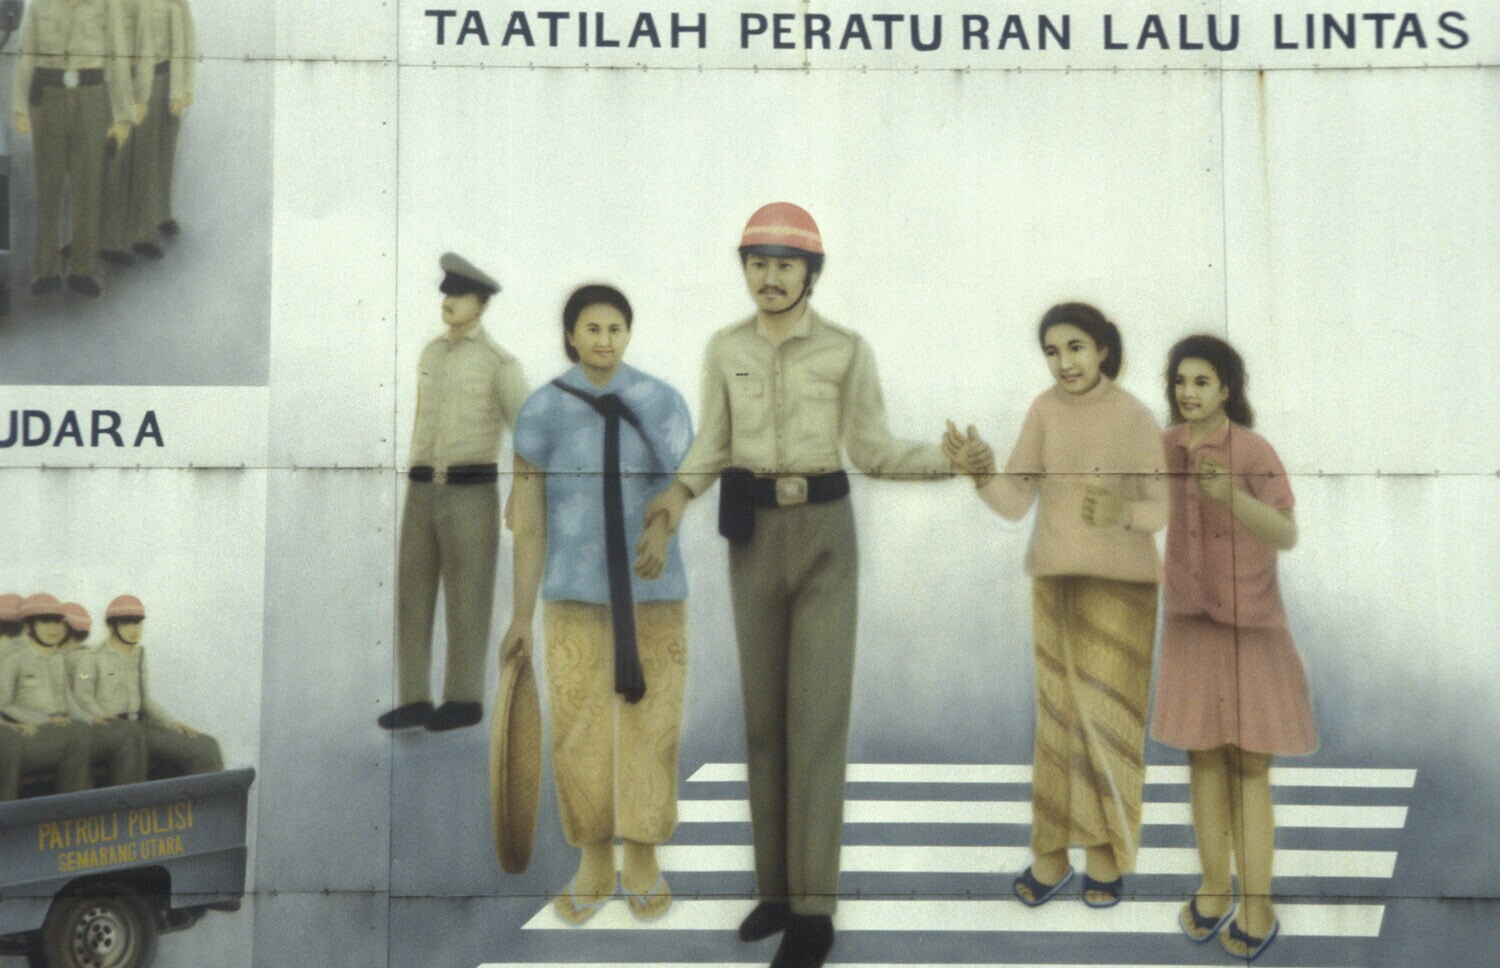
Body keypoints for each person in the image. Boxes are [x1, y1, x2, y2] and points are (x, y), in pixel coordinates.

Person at [644, 203, 960, 968]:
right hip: (752, 535)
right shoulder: (725, 349)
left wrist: (949, 461)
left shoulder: (846, 351)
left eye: (786, 264)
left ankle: (814, 913)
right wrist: (671, 504)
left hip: (824, 537)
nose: (770, 277)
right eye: (758, 263)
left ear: (811, 274)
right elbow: (712, 444)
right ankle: (777, 893)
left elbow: (874, 449)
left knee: (814, 724)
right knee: (764, 724)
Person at [948, 302, 1167, 909]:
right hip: (1054, 582)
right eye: (1052, 351)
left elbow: (1161, 508)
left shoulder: (1134, 415)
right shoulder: (1043, 410)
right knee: (1057, 722)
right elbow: (1015, 500)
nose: (1064, 362)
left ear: (1103, 349)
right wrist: (978, 474)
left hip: (1123, 589)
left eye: (1075, 347)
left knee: (1108, 721)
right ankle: (1050, 855)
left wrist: (1122, 514)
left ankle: (1104, 856)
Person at [503, 283, 693, 925]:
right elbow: (529, 523)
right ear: (570, 335)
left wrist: (662, 527)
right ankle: (591, 860)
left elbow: (684, 486)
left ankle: (642, 856)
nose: (604, 340)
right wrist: (519, 617)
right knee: (577, 728)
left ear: (628, 333)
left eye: (615, 328)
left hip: (652, 593)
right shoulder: (541, 411)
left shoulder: (663, 403)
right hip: (573, 594)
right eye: (592, 328)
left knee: (652, 726)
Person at [1150, 335, 1315, 962]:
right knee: (1202, 759)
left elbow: (1287, 533)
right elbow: (1143, 508)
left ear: (1226, 389)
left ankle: (1258, 903)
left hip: (1251, 627)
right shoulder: (1165, 447)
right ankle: (1216, 888)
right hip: (1190, 623)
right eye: (1180, 382)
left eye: (1201, 382)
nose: (1188, 393)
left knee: (1249, 765)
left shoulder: (1252, 449)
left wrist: (1232, 498)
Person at [380, 253, 530, 732]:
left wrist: (521, 492)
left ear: (480, 304)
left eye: (459, 294)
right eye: (446, 292)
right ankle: (414, 698)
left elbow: (528, 434)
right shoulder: (431, 354)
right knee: (413, 593)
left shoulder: (499, 364)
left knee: (468, 596)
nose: (447, 301)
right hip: (422, 488)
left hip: (471, 491)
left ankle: (463, 699)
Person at [11, 0, 137, 297]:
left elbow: (118, 57)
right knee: (49, 186)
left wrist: (122, 117)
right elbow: (27, 53)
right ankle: (45, 270)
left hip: (91, 98)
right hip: (48, 99)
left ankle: (83, 269)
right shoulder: (41, 4)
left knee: (88, 186)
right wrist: (19, 106)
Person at [0, 593, 141, 799]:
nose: (53, 628)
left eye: (57, 621)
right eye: (45, 621)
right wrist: (41, 720)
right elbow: (4, 704)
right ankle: (76, 805)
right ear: (29, 627)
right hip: (35, 732)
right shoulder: (13, 660)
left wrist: (91, 718)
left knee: (122, 731)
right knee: (77, 735)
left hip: (61, 726)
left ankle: (125, 801)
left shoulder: (57, 660)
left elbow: (68, 701)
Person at [73, 595, 223, 776]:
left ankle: (209, 793)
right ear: (112, 626)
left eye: (137, 623)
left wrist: (171, 723)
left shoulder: (139, 655)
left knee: (205, 745)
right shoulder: (92, 658)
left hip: (139, 726)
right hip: (108, 731)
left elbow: (146, 701)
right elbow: (82, 698)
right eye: (127, 623)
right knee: (131, 741)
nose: (134, 629)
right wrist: (100, 716)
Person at [133, 0, 195, 249]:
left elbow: (187, 41)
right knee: (143, 153)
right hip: (140, 80)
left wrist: (186, 88)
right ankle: (140, 225)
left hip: (169, 80)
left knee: (165, 149)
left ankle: (162, 213)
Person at [98, 0, 155, 265]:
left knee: (122, 167)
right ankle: (85, 239)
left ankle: (117, 239)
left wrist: (141, 96)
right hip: (90, 87)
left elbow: (145, 47)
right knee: (87, 166)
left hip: (124, 89)